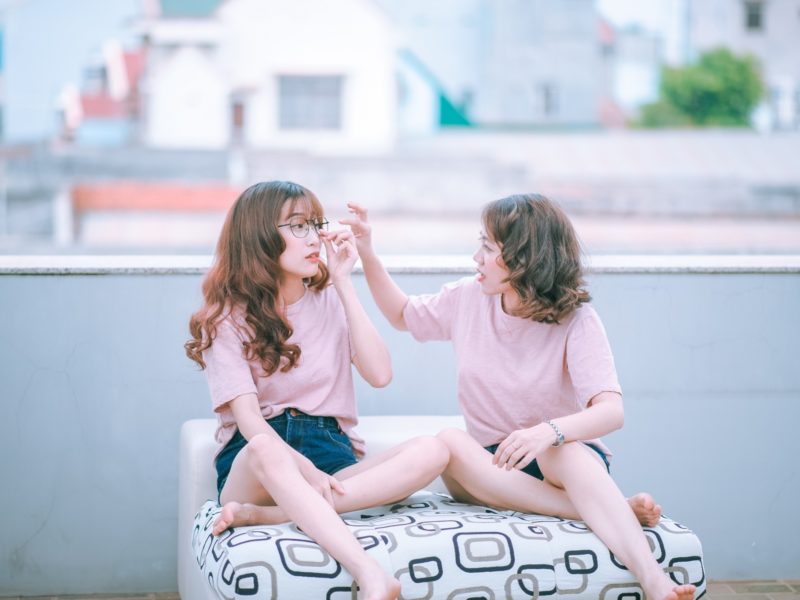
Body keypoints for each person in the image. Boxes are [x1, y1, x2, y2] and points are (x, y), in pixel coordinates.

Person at [344, 194, 696, 600]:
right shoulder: (467, 298)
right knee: (450, 442)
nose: (476, 256)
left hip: (559, 465)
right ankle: (613, 508)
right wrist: (367, 251)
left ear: (524, 259)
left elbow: (611, 412)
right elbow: (402, 315)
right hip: (488, 469)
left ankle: (654, 581)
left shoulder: (577, 320)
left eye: (488, 247)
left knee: (559, 451)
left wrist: (545, 433)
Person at [185, 181, 449, 600]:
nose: (313, 238)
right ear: (258, 236)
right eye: (297, 226)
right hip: (256, 461)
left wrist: (345, 283)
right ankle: (371, 573)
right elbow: (250, 422)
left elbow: (380, 374)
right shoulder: (225, 318)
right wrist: (303, 473)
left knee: (435, 450)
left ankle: (271, 516)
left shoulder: (329, 297)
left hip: (331, 455)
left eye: (314, 224)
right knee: (264, 448)